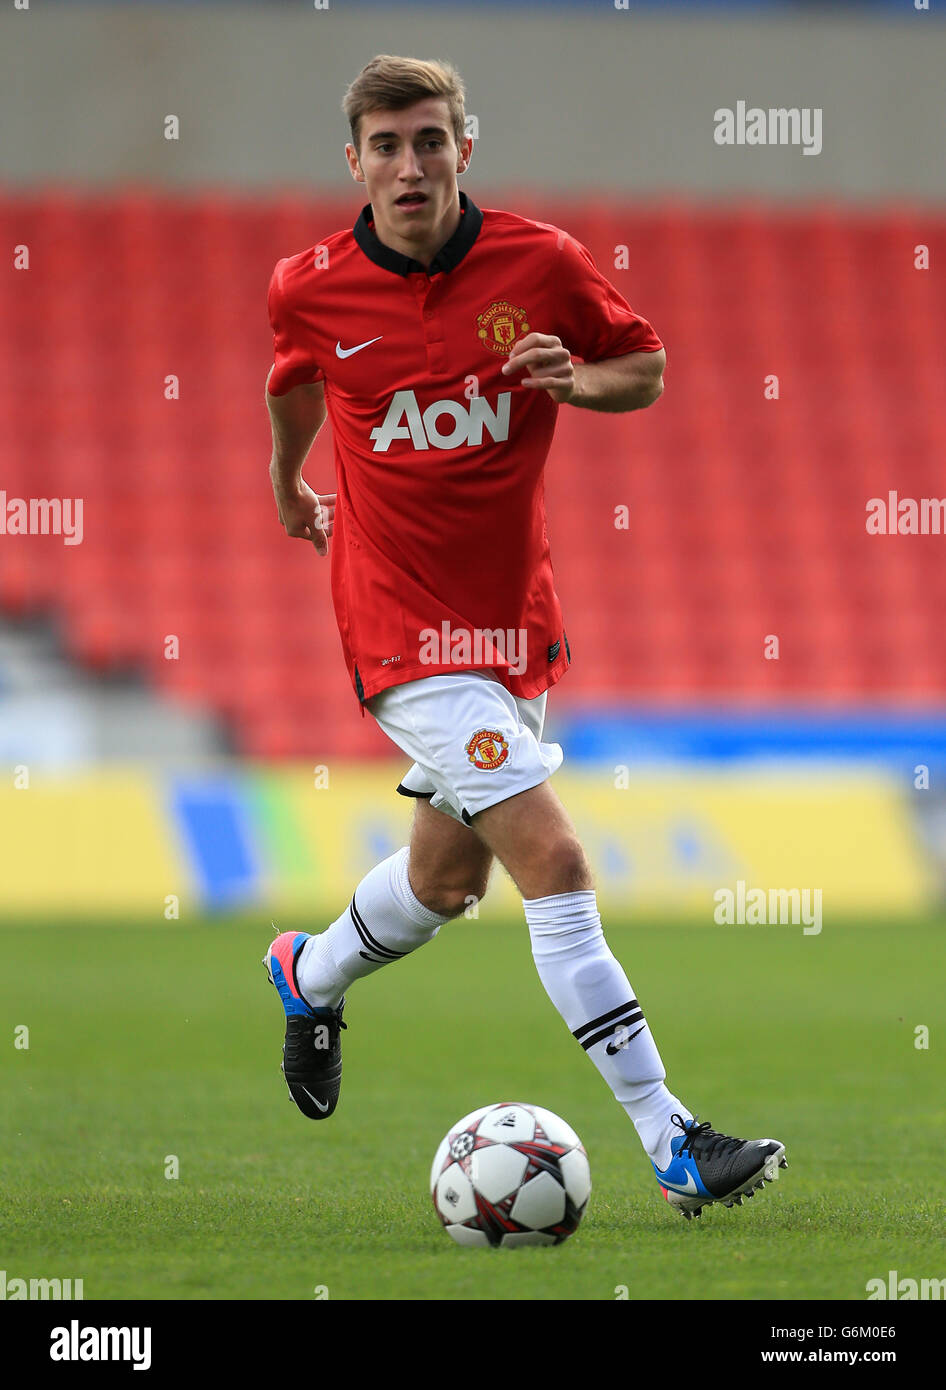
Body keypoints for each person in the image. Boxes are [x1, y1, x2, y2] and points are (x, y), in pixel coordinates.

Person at [262, 54, 786, 1220]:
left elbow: (642, 367)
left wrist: (573, 379)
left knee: (443, 888)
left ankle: (309, 972)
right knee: (556, 864)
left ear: (463, 149)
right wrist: (285, 484)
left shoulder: (539, 264)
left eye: (430, 140)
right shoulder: (310, 285)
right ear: (353, 162)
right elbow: (293, 378)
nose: (410, 164)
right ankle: (673, 1139)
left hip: (512, 627)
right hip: (396, 627)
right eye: (386, 145)